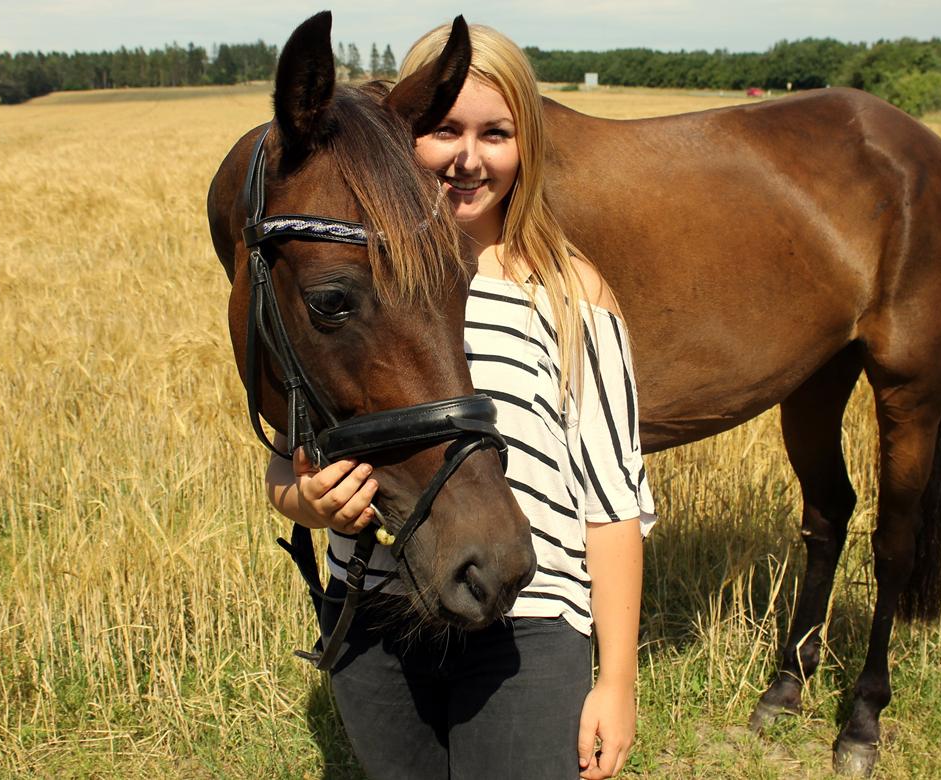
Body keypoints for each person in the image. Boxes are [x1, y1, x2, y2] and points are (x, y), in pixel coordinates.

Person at [265, 21, 656, 780]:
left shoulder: (573, 294)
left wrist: (617, 680)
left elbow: (613, 502)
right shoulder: (358, 287)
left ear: (527, 146)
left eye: (497, 132)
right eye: (444, 130)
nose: (469, 158)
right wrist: (313, 502)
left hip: (529, 626)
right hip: (374, 620)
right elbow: (285, 471)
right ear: (397, 135)